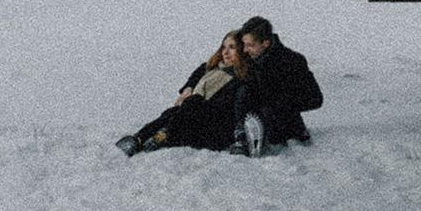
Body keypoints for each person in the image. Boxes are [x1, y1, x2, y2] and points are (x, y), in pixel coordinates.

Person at [115, 31, 248, 156]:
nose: (226, 52)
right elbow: (195, 77)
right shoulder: (211, 67)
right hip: (189, 117)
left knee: (191, 103)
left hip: (212, 128)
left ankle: (163, 136)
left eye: (232, 47)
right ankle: (139, 138)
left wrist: (194, 102)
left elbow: (223, 108)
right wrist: (188, 88)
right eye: (224, 47)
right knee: (171, 112)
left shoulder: (239, 78)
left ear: (242, 51)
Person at [230, 16, 323, 156]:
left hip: (283, 118)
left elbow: (315, 98)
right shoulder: (249, 60)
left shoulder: (291, 61)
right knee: (243, 91)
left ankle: (260, 136)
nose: (245, 50)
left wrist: (281, 101)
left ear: (266, 43)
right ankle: (244, 135)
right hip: (255, 114)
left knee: (268, 107)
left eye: (250, 45)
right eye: (244, 45)